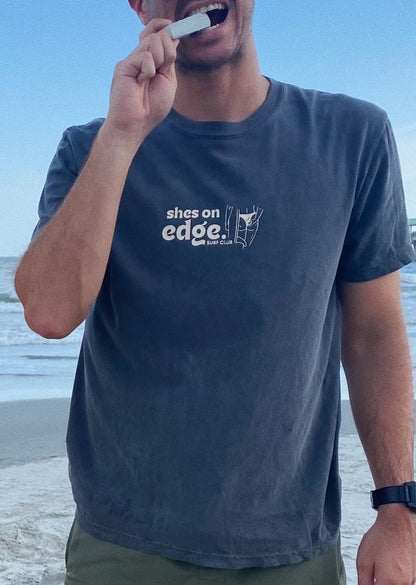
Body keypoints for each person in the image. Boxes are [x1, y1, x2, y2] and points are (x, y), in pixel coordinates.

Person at [14, 1, 416, 584]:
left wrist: (398, 508)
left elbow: (375, 333)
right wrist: (123, 136)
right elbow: (48, 311)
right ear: (138, 4)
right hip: (124, 548)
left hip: (292, 551)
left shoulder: (353, 137)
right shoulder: (90, 149)